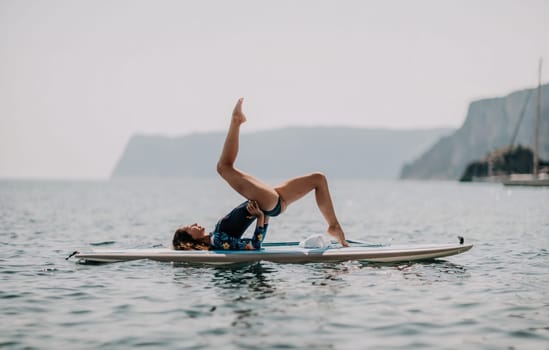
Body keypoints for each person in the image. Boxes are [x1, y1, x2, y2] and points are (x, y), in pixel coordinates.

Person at [172, 98, 349, 251]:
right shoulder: (218, 241)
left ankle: (334, 227)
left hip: (273, 202)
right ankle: (236, 121)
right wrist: (260, 217)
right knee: (224, 168)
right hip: (267, 204)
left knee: (318, 179)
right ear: (190, 240)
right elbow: (254, 246)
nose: (194, 224)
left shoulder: (215, 237)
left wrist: (262, 214)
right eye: (190, 228)